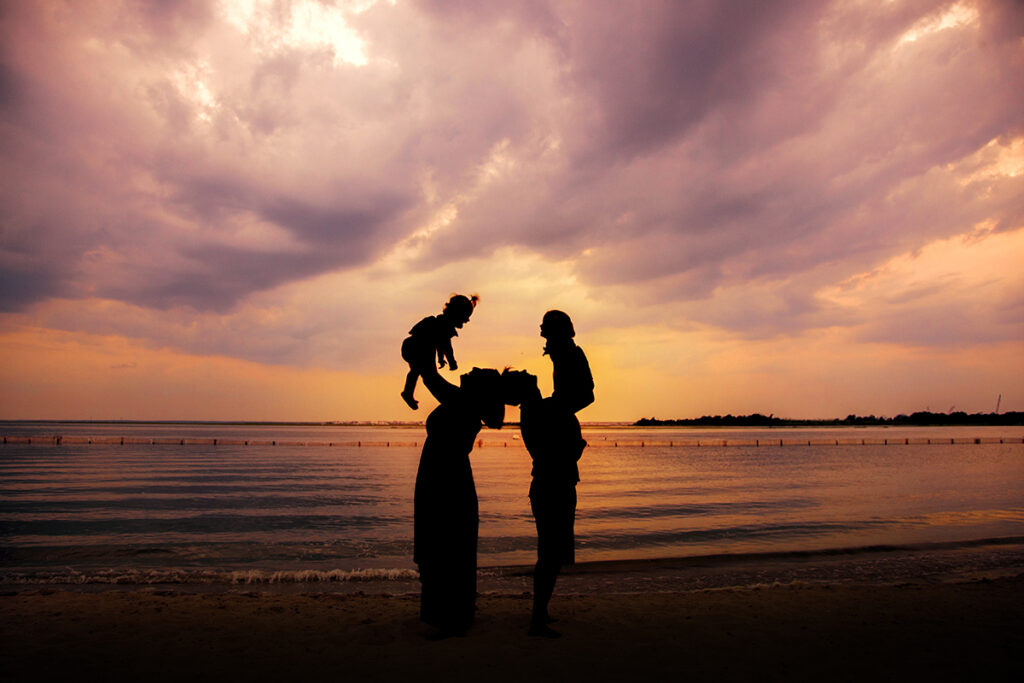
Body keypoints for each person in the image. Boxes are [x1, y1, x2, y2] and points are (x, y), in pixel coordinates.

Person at [413, 366, 507, 639]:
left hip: (443, 479)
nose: (469, 371)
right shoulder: (466, 404)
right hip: (449, 477)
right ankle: (456, 611)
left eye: (474, 373)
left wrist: (426, 346)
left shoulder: (462, 402)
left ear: (478, 387)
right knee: (453, 545)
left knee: (445, 544)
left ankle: (451, 617)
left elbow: (430, 376)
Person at [502, 369, 586, 638]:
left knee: (551, 553)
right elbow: (562, 448)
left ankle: (541, 611)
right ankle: (538, 618)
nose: (529, 371)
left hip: (551, 485)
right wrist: (577, 445)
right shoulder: (539, 411)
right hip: (553, 487)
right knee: (550, 555)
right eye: (524, 375)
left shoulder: (538, 409)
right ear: (523, 390)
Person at [401, 294, 479, 410]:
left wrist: (441, 359)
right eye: (464, 318)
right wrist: (451, 361)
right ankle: (408, 393)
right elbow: (446, 345)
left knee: (420, 372)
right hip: (417, 347)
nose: (464, 322)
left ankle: (408, 392)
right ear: (456, 315)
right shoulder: (444, 325)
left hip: (414, 346)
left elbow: (440, 343)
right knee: (424, 373)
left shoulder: (440, 323)